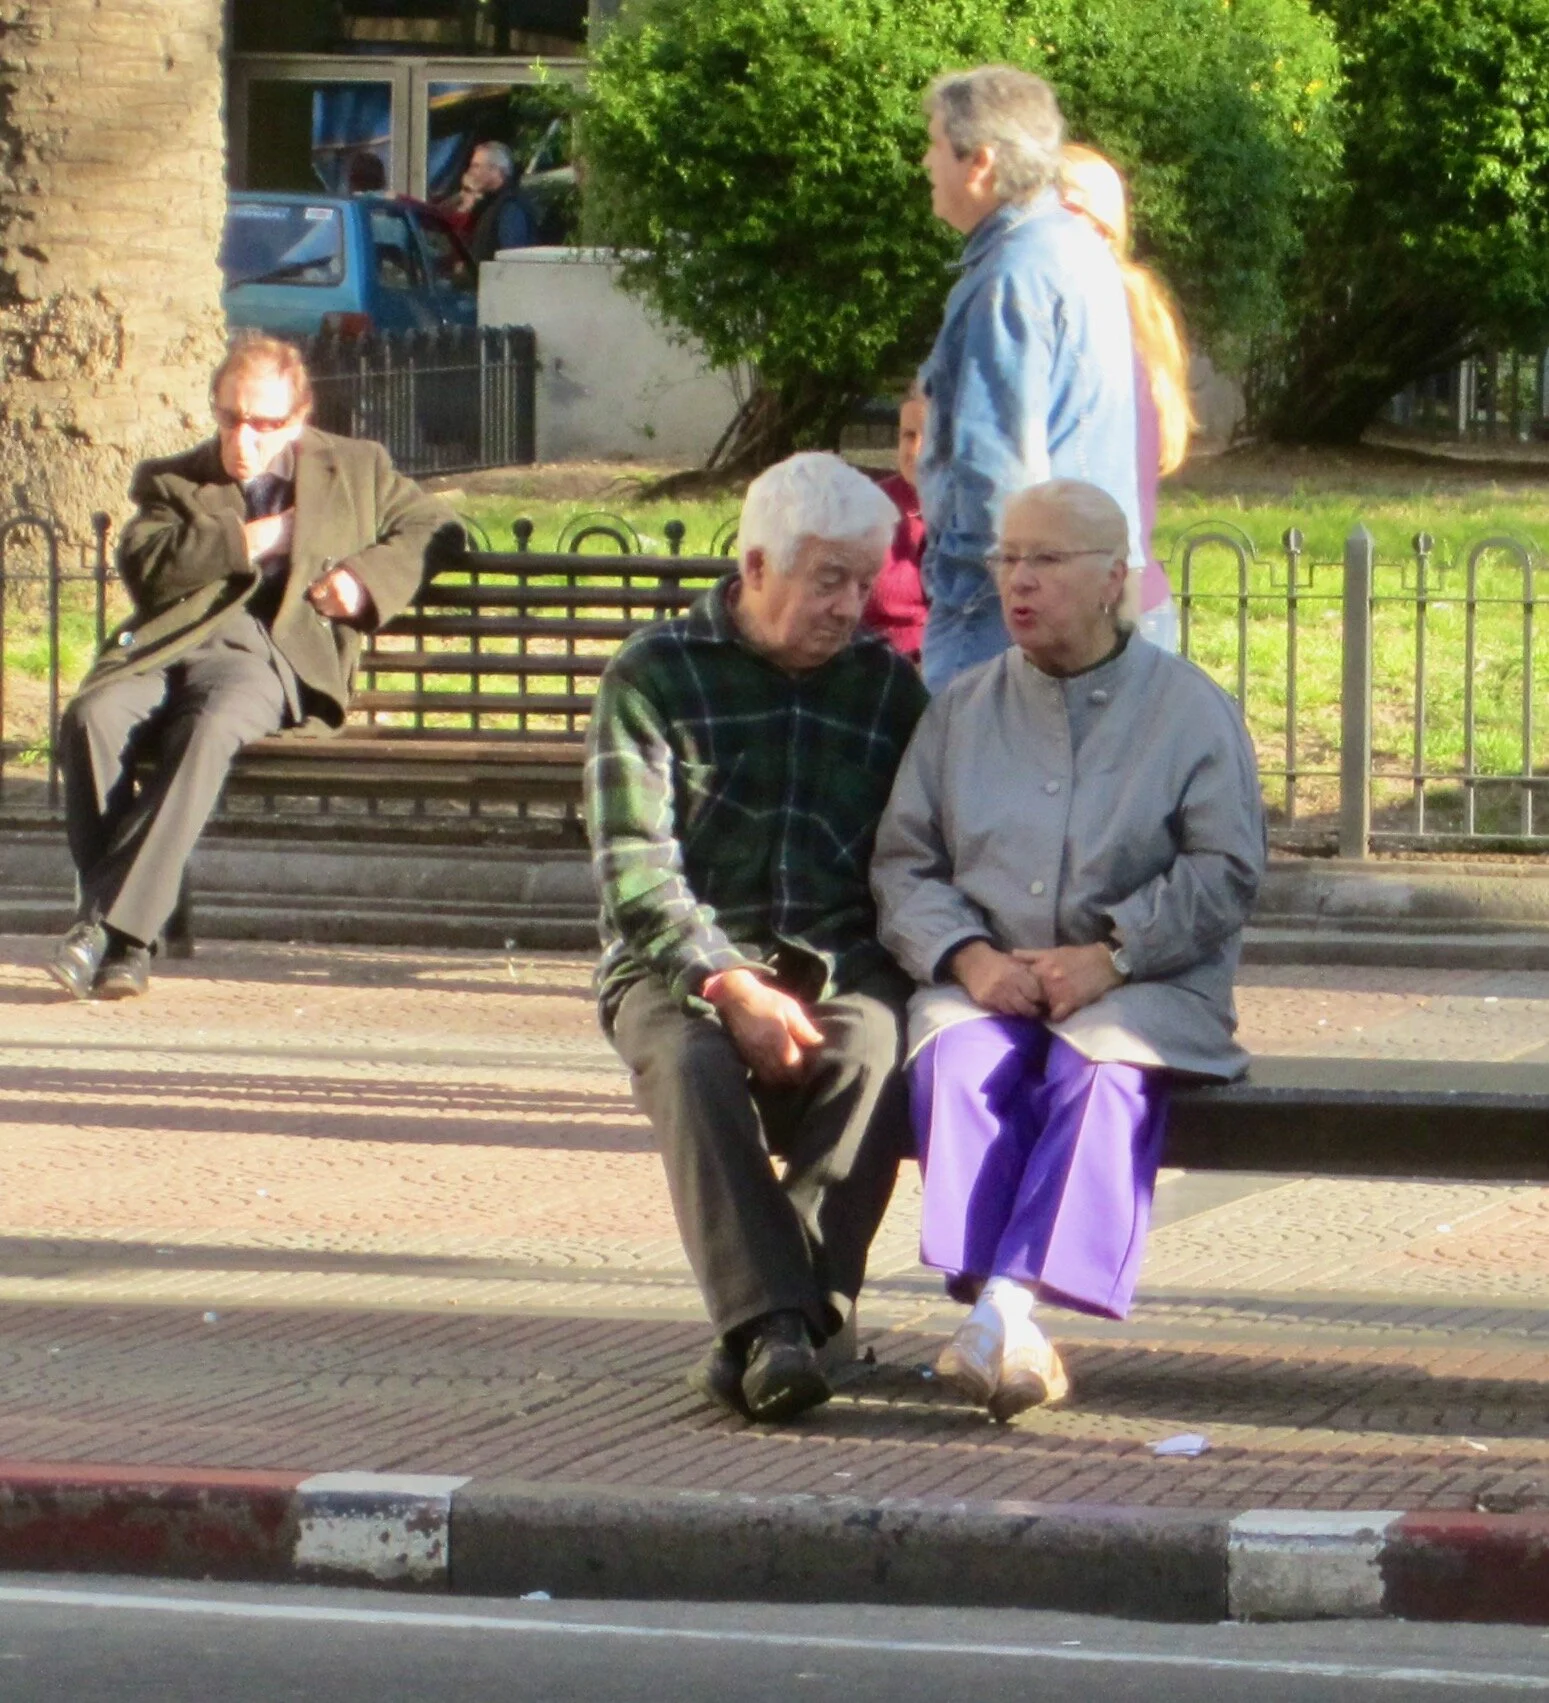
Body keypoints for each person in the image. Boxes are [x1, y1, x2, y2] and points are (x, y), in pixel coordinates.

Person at [871, 479, 1265, 1421]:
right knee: (955, 1054)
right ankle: (1012, 1326)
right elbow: (902, 865)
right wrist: (968, 959)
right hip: (988, 978)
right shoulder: (961, 709)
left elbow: (1225, 869)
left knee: (1099, 1066)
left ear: (1111, 580)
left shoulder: (1189, 712)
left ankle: (1002, 1304)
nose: (1018, 580)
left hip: (1146, 985)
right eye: (1006, 557)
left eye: (1045, 560)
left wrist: (1113, 954)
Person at [585, 452, 930, 1424]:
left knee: (875, 1045)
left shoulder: (883, 690)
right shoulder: (654, 676)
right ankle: (794, 1324)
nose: (849, 607)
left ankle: (772, 1329)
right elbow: (635, 871)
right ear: (755, 564)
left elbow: (919, 852)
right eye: (828, 579)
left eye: (865, 583)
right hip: (673, 963)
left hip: (834, 959)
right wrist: (726, 981)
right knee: (692, 1067)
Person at [48, 334, 462, 1002]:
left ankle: (104, 928)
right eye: (231, 418)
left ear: (297, 419)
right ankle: (129, 939)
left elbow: (438, 529)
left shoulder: (356, 467)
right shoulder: (176, 477)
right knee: (92, 716)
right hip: (170, 644)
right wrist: (257, 538)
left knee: (207, 729)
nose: (244, 438)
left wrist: (363, 579)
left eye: (264, 424)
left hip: (270, 653)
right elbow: (147, 567)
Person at [916, 66, 1142, 692]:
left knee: (977, 784)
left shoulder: (1008, 277)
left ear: (980, 162)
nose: (925, 162)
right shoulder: (1076, 249)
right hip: (1094, 591)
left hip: (1001, 617)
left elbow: (998, 473)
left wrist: (996, 590)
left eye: (935, 143)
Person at [1060, 144, 1197, 653]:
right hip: (1136, 598)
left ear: (1095, 225)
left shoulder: (1093, 328)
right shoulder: (1127, 317)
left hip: (1097, 610)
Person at [859, 389, 929, 666]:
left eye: (930, 436)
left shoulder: (979, 512)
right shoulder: (868, 505)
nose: (914, 449)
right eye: (908, 436)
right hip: (872, 668)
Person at [448, 142, 538, 261]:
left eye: (476, 166)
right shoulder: (490, 205)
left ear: (495, 171)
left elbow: (511, 259)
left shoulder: (510, 207)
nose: (471, 172)